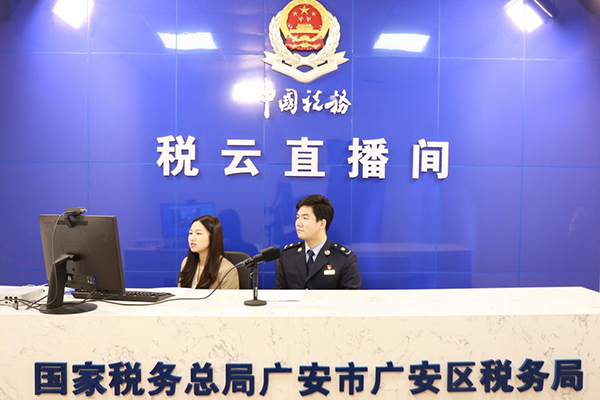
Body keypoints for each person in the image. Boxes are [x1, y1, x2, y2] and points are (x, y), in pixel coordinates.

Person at [274, 194, 361, 289]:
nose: (298, 223)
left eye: (305, 218)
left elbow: (351, 296)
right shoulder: (287, 256)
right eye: (297, 217)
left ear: (322, 223)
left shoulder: (343, 259)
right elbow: (279, 294)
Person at [178, 215, 239, 289]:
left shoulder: (227, 270)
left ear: (213, 237)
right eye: (190, 233)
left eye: (198, 233)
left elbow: (229, 297)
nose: (192, 238)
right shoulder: (186, 262)